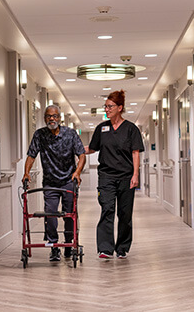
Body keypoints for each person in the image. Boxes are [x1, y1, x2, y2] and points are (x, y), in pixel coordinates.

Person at [85, 90, 144, 259]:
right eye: (105, 106)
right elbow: (92, 148)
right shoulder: (102, 128)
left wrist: (135, 175)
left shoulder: (131, 129)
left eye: (110, 106)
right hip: (106, 176)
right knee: (107, 209)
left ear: (120, 107)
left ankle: (122, 247)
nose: (107, 109)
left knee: (125, 214)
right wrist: (74, 149)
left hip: (126, 177)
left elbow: (135, 153)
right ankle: (105, 248)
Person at [22, 105, 86, 262]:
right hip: (50, 182)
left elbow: (82, 155)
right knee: (50, 213)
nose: (52, 119)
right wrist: (26, 172)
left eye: (55, 116)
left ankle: (69, 244)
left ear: (60, 118)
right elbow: (31, 155)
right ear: (45, 118)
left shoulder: (70, 134)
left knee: (69, 215)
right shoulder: (40, 135)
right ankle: (53, 246)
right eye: (49, 116)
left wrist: (77, 172)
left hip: (68, 181)